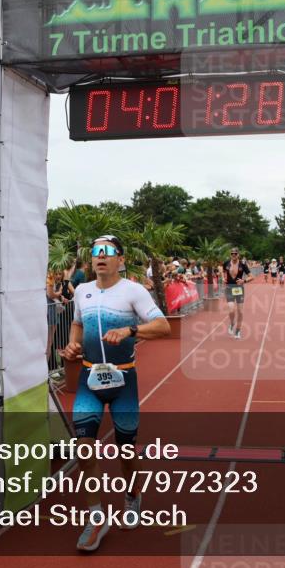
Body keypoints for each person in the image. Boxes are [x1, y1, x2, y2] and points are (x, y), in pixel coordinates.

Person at [60, 235, 170, 552]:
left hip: (123, 380)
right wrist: (73, 344)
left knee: (126, 452)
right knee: (83, 449)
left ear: (120, 259)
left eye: (108, 252)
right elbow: (78, 325)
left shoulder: (133, 291)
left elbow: (163, 327)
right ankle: (96, 517)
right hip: (88, 378)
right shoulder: (82, 290)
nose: (101, 257)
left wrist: (131, 330)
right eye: (96, 252)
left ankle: (133, 495)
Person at [222, 247, 253, 339]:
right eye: (232, 253)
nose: (233, 255)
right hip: (229, 288)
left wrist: (244, 281)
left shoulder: (243, 264)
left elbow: (252, 276)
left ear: (238, 254)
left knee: (240, 311)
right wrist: (223, 278)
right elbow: (223, 272)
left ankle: (238, 331)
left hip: (239, 289)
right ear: (230, 255)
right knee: (231, 309)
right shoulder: (226, 263)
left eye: (235, 254)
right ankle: (232, 323)